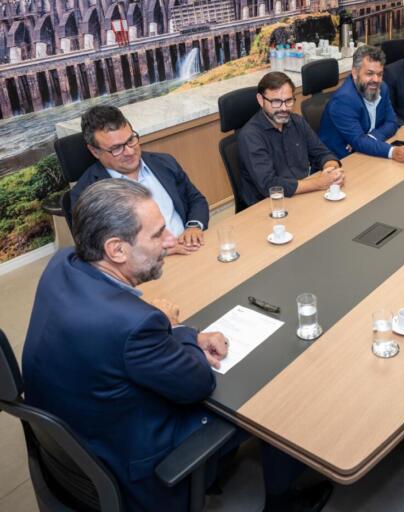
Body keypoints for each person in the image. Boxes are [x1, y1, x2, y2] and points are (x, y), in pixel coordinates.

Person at [22, 179, 333, 512]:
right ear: (116, 249)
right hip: (131, 463)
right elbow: (198, 382)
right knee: (269, 388)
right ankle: (282, 502)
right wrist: (177, 328)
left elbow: (117, 337)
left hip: (76, 443)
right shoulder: (133, 325)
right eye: (157, 234)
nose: (170, 241)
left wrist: (161, 327)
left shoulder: (62, 264)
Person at [72, 105, 209, 255]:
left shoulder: (164, 162)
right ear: (95, 151)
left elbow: (196, 199)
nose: (130, 151)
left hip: (190, 248)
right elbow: (96, 249)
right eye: (117, 148)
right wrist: (160, 250)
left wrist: (194, 226)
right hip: (141, 270)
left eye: (131, 140)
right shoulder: (86, 195)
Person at [237, 71, 343, 206]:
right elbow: (270, 185)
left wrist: (331, 170)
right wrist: (319, 183)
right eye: (276, 102)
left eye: (288, 101)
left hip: (302, 196)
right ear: (260, 99)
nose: (284, 108)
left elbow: (323, 153)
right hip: (269, 206)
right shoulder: (250, 136)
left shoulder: (297, 122)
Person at [319, 44, 404, 163]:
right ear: (355, 73)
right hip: (341, 162)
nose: (376, 80)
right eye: (369, 73)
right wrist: (393, 152)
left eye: (380, 74)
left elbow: (392, 122)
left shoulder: (383, 88)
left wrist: (371, 138)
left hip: (368, 153)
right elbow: (359, 142)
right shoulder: (343, 100)